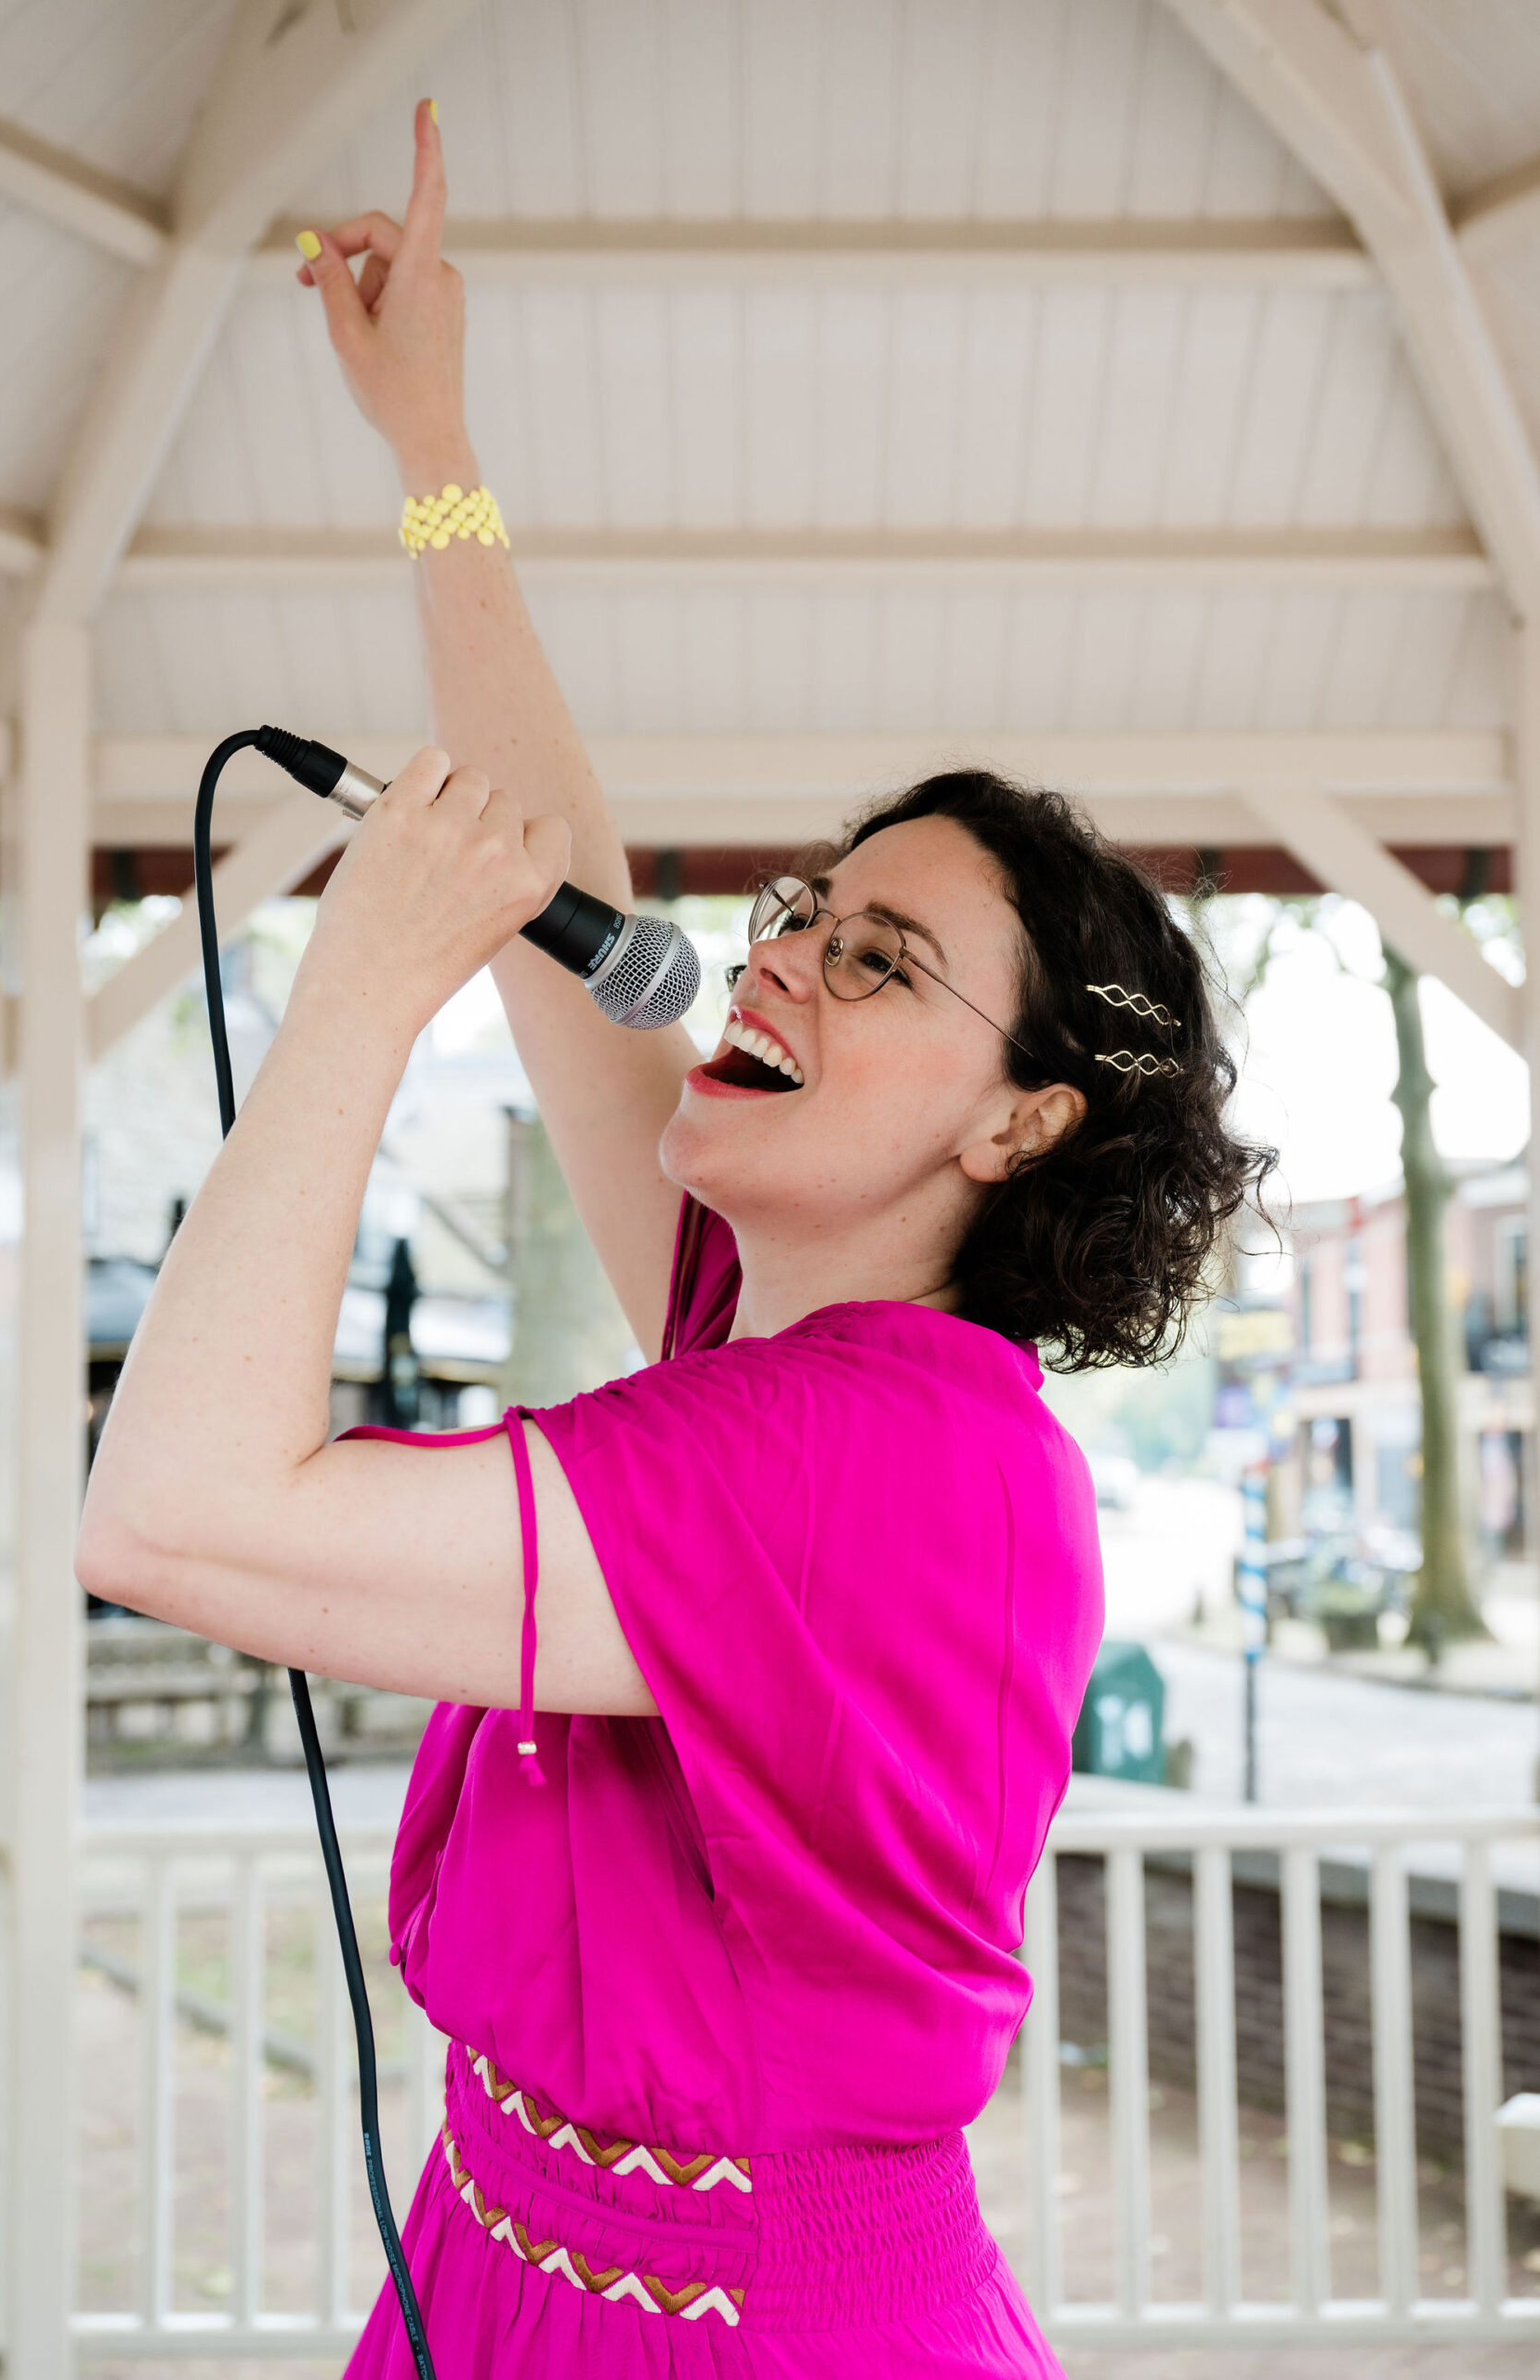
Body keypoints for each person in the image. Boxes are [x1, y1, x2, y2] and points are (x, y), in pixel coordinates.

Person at [77, 103, 1271, 2380]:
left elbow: (172, 1513)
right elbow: (556, 877)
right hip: (495, 2257)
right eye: (804, 907)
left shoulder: (883, 1460)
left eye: (882, 959)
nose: (785, 950)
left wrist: (348, 994)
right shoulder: (765, 1342)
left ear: (1026, 1118)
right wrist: (430, 438)